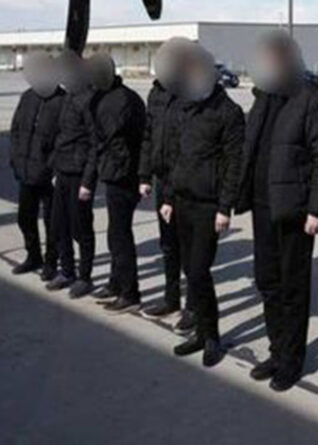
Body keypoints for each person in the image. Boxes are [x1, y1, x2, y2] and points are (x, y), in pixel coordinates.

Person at [235, 30, 318, 391]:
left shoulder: (311, 99)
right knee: (267, 281)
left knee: (293, 288)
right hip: (262, 207)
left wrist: (317, 209)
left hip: (295, 211)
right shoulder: (263, 98)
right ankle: (277, 351)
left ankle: (291, 361)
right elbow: (249, 150)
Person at [162, 42, 245, 367]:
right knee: (189, 270)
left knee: (199, 271)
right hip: (182, 201)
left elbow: (234, 164)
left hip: (209, 206)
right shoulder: (185, 107)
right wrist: (169, 197)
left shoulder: (228, 113)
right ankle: (199, 332)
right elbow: (176, 156)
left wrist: (225, 207)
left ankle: (212, 337)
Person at [136, 38, 198, 334]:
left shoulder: (194, 94)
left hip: (185, 185)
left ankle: (193, 308)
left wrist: (172, 195)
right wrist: (144, 176)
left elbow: (188, 149)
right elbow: (148, 136)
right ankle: (171, 298)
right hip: (162, 180)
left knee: (189, 250)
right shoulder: (157, 93)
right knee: (168, 245)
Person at [83, 53, 146, 312]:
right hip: (115, 174)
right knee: (114, 233)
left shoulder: (120, 101)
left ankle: (130, 292)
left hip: (123, 177)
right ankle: (116, 282)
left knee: (120, 236)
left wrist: (107, 170)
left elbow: (113, 142)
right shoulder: (107, 97)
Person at [45, 50, 98, 298]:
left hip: (79, 174)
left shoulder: (89, 100)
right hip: (63, 171)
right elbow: (62, 135)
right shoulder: (68, 97)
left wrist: (88, 181)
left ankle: (85, 277)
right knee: (59, 225)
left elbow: (95, 144)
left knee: (81, 229)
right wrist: (55, 168)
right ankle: (67, 271)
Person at [8, 52, 65, 281]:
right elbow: (15, 130)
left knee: (52, 223)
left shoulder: (62, 101)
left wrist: (52, 168)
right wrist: (15, 159)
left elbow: (64, 139)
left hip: (47, 175)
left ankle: (51, 261)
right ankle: (33, 256)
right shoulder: (27, 97)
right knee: (25, 218)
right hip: (26, 172)